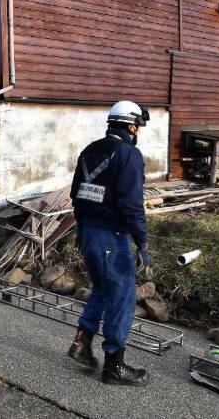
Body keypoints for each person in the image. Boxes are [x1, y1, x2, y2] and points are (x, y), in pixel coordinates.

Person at [67, 100, 151, 386]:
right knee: (123, 297)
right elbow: (131, 205)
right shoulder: (128, 154)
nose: (138, 131)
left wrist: (81, 233)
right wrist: (142, 242)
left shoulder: (89, 151)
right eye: (138, 126)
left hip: (89, 232)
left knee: (102, 290)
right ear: (131, 126)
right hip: (111, 237)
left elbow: (76, 195)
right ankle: (114, 367)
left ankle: (81, 344)